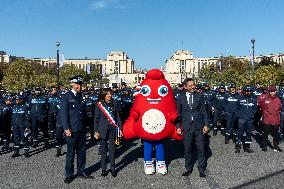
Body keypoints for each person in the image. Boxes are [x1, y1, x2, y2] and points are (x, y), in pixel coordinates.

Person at [61, 75, 93, 184]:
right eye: (77, 84)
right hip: (72, 130)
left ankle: (81, 171)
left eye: (80, 84)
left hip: (82, 128)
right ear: (72, 84)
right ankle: (69, 174)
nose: (79, 86)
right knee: (70, 153)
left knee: (82, 152)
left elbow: (84, 112)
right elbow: (64, 114)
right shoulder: (66, 96)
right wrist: (66, 128)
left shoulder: (81, 96)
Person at [176, 78, 209, 178]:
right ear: (185, 87)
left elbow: (204, 111)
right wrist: (178, 126)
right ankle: (188, 168)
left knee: (201, 148)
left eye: (193, 85)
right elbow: (179, 114)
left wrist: (206, 125)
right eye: (190, 85)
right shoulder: (180, 97)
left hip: (199, 126)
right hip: (187, 127)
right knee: (187, 149)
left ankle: (202, 169)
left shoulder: (199, 96)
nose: (193, 87)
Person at [94, 88, 123, 177]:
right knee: (103, 151)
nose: (110, 95)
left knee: (112, 150)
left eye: (110, 94)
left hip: (112, 129)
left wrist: (120, 129)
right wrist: (96, 131)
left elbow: (118, 117)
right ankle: (103, 169)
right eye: (108, 94)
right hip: (102, 129)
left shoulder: (115, 103)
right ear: (104, 95)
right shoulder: (99, 104)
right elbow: (96, 119)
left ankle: (113, 168)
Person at [235, 86, 257, 153]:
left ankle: (247, 147)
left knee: (249, 133)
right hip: (242, 119)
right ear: (244, 91)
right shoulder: (240, 98)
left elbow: (255, 108)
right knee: (240, 133)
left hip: (250, 119)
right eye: (247, 91)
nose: (248, 92)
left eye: (249, 91)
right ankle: (238, 146)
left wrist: (252, 115)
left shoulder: (253, 99)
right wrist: (240, 115)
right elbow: (236, 108)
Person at [261, 86, 282, 152]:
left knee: (275, 134)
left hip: (275, 120)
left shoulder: (278, 100)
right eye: (271, 91)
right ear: (269, 92)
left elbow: (280, 109)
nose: (272, 92)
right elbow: (262, 108)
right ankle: (264, 146)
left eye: (273, 91)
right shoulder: (265, 99)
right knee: (265, 133)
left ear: (275, 92)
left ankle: (276, 146)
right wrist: (265, 116)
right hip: (267, 120)